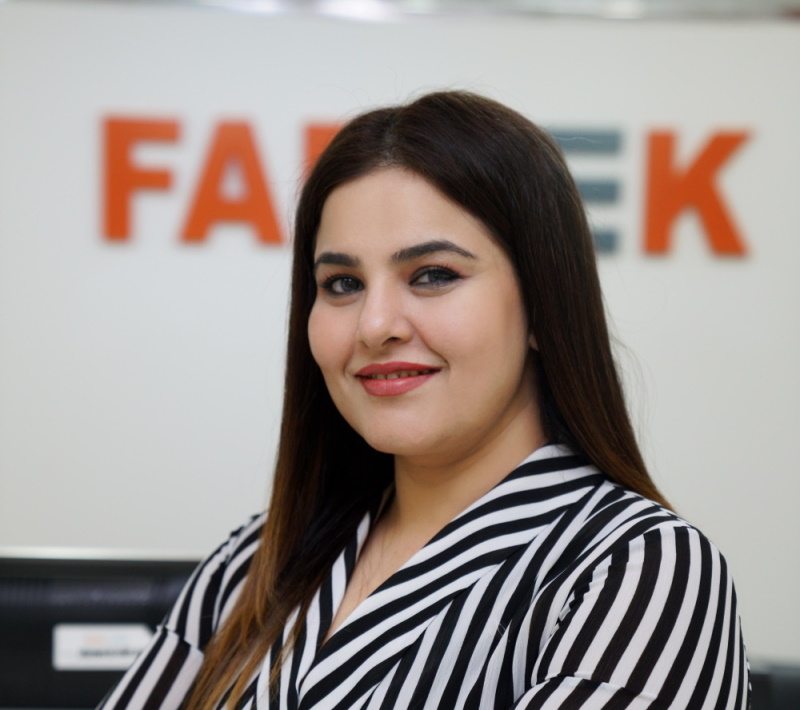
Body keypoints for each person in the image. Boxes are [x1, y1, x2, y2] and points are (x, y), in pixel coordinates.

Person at [100, 91, 749, 710]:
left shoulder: (642, 572)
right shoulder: (260, 556)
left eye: (433, 275)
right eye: (342, 283)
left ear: (543, 306)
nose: (374, 324)